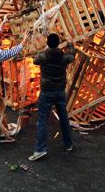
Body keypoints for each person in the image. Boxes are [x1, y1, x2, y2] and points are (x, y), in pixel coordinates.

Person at [28, 33, 75, 161]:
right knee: (64, 118)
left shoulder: (43, 56)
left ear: (48, 43)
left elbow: (35, 59)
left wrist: (44, 49)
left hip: (46, 92)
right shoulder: (64, 57)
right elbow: (72, 56)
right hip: (60, 91)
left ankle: (40, 149)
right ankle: (68, 144)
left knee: (43, 120)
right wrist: (70, 43)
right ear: (59, 43)